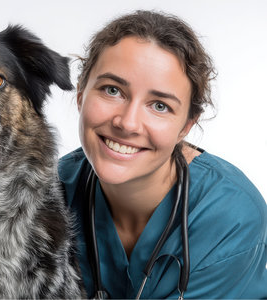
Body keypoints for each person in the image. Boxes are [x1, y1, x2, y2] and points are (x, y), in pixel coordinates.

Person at [58, 10, 267, 299]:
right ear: (80, 93)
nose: (127, 123)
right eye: (112, 90)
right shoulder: (44, 192)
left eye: (159, 106)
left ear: (186, 126)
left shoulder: (230, 217)